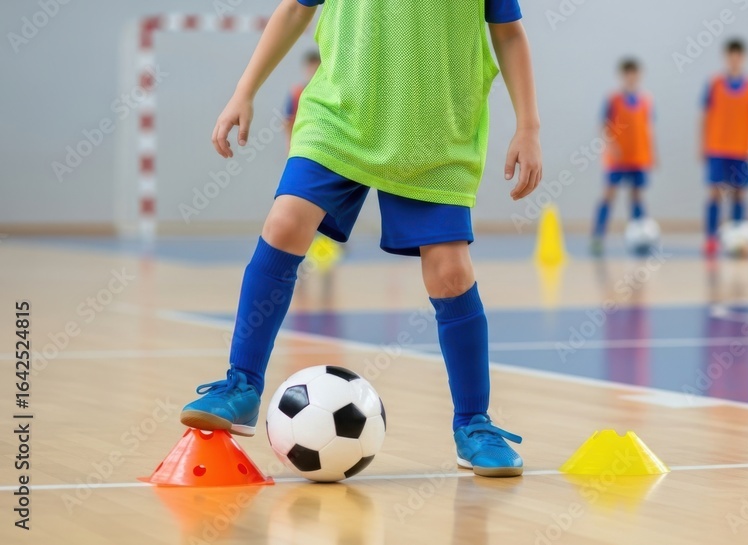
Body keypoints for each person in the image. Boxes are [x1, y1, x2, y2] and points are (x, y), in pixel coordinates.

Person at [181, 0, 542, 478]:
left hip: (435, 135)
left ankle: (474, 424)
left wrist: (529, 126)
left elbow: (510, 33)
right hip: (340, 116)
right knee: (285, 222)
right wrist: (243, 92)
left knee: (451, 273)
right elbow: (293, 9)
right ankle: (241, 385)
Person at [701, 38, 748, 257]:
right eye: (731, 56)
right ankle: (710, 238)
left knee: (739, 194)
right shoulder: (714, 83)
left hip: (742, 149)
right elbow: (705, 115)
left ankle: (739, 238)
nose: (734, 60)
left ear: (743, 58)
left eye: (738, 56)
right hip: (718, 148)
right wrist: (702, 144)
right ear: (726, 57)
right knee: (715, 193)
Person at [591, 58, 656, 256]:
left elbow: (647, 129)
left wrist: (652, 154)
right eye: (627, 73)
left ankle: (640, 236)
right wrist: (612, 146)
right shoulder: (613, 100)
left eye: (634, 73)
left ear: (639, 75)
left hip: (638, 158)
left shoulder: (646, 100)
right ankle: (598, 237)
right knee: (609, 195)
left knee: (637, 197)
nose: (631, 77)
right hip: (617, 160)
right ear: (622, 76)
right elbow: (604, 126)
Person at [283, 50, 320, 142]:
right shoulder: (296, 93)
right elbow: (287, 121)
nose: (314, 71)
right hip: (300, 142)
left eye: (317, 68)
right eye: (311, 68)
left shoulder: (328, 93)